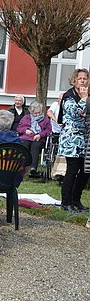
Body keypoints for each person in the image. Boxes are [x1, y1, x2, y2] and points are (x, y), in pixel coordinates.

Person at [58, 68, 89, 211]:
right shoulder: (68, 96)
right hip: (71, 139)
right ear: (74, 80)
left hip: (84, 139)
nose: (83, 80)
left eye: (85, 78)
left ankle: (76, 199)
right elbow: (75, 114)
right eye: (80, 78)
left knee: (84, 171)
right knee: (72, 170)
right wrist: (83, 100)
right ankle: (66, 201)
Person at [17, 101, 52, 178]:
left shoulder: (45, 119)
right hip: (26, 137)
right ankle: (21, 167)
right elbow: (19, 128)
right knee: (24, 145)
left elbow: (48, 131)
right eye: (35, 113)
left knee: (35, 146)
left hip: (38, 138)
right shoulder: (26, 118)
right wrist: (26, 130)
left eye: (39, 112)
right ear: (31, 112)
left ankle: (33, 168)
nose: (38, 115)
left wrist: (40, 134)